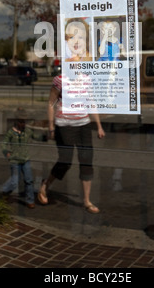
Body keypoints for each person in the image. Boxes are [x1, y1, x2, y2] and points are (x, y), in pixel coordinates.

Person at [37, 74, 105, 213]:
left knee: (86, 160)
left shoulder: (86, 78)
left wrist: (98, 125)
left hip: (84, 124)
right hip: (64, 124)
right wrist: (51, 127)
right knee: (65, 161)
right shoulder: (60, 79)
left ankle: (87, 201)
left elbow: (91, 101)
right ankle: (46, 184)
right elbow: (51, 103)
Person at [1, 107, 46, 208]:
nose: (23, 124)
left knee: (28, 179)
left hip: (25, 159)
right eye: (21, 122)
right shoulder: (11, 132)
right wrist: (6, 152)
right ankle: (5, 191)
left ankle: (29, 200)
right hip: (15, 160)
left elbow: (36, 137)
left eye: (24, 122)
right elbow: (4, 143)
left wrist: (46, 137)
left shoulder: (27, 131)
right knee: (14, 181)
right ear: (16, 121)